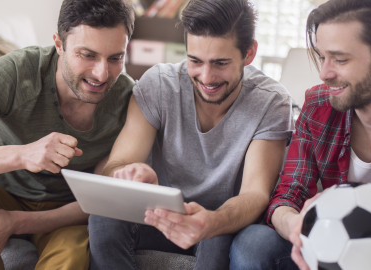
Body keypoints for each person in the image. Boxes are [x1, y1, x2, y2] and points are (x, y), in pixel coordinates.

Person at [87, 0, 294, 269]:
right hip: (160, 217)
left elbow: (255, 194)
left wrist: (212, 222)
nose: (206, 77)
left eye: (220, 63)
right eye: (195, 60)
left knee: (216, 237)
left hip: (221, 221)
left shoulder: (272, 102)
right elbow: (116, 164)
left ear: (249, 53)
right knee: (102, 219)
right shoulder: (159, 84)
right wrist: (130, 173)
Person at [0, 0, 135, 269]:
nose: (102, 74)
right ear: (58, 44)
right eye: (87, 55)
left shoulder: (128, 100)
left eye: (115, 58)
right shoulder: (18, 72)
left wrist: (17, 221)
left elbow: (101, 200)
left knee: (71, 256)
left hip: (62, 213)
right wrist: (21, 154)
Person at [229, 0, 371, 269]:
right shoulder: (319, 105)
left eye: (340, 59)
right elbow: (287, 196)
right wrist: (294, 224)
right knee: (253, 244)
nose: (324, 73)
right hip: (328, 246)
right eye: (322, 57)